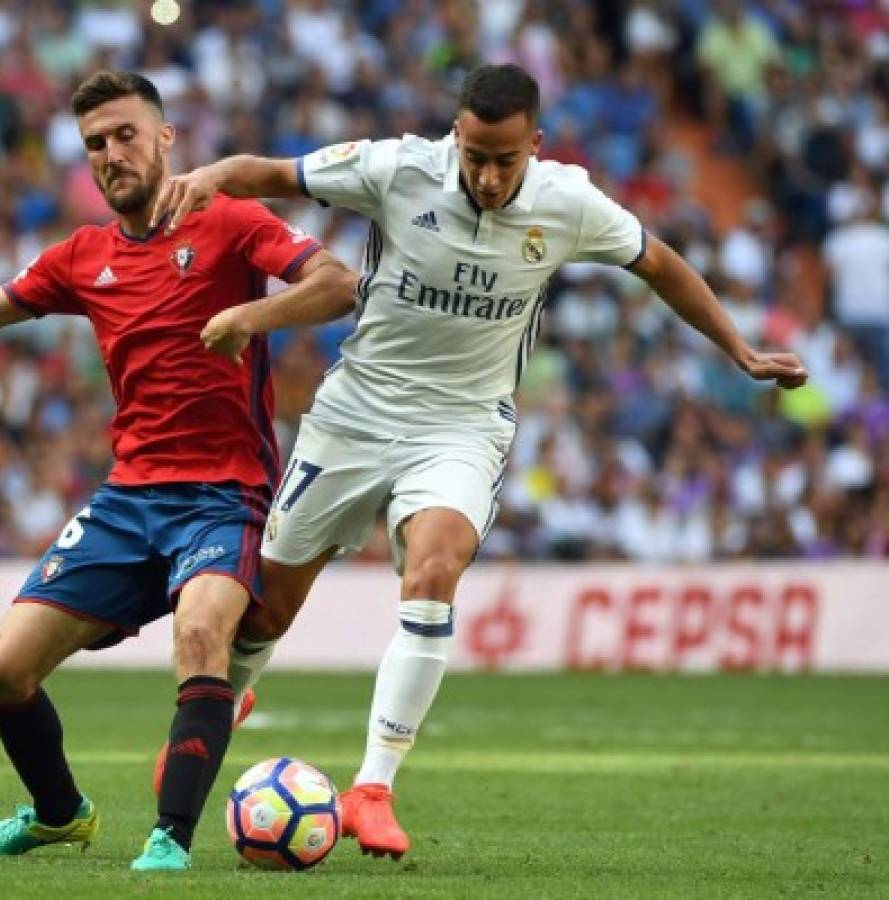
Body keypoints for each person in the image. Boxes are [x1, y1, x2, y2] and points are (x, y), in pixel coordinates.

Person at [151, 63, 809, 860]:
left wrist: (737, 349)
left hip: (462, 427)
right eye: (475, 158)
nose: (489, 177)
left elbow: (658, 262)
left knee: (433, 571)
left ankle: (372, 788)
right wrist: (214, 173)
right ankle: (219, 711)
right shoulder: (395, 169)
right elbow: (276, 174)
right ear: (454, 137)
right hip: (354, 416)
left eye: (506, 161)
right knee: (266, 612)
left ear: (534, 145)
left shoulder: (566, 202)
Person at [0, 71, 354, 872]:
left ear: (164, 138)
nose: (110, 154)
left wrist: (253, 315)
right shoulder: (85, 257)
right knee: (1, 670)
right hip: (128, 499)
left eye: (124, 135)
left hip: (225, 492)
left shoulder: (230, 222)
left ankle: (169, 838)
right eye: (94, 145)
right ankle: (59, 815)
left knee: (199, 631)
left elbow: (336, 284)